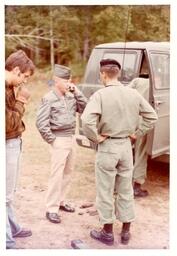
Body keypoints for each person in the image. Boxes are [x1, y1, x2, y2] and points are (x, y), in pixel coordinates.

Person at [81, 59, 158, 245]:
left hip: (108, 146)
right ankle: (125, 232)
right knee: (126, 189)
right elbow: (152, 116)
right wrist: (136, 134)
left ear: (103, 75)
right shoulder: (133, 93)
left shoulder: (100, 95)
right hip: (125, 147)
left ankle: (107, 233)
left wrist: (96, 137)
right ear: (118, 74)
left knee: (105, 189)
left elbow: (86, 121)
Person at [36, 64, 87, 224]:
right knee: (56, 174)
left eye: (69, 80)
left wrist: (77, 91)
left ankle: (61, 201)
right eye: (66, 80)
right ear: (57, 81)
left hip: (71, 138)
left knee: (68, 172)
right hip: (59, 139)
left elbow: (85, 107)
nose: (69, 83)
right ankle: (51, 208)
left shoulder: (72, 96)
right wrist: (52, 140)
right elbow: (41, 123)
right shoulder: (48, 98)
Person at [5, 49, 35, 249]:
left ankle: (12, 227)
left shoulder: (8, 87)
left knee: (9, 191)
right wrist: (21, 102)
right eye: (24, 76)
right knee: (4, 194)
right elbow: (7, 124)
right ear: (16, 70)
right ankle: (5, 240)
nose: (24, 81)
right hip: (7, 143)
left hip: (12, 142)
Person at [128, 77, 150, 197]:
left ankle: (119, 185)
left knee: (124, 152)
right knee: (140, 153)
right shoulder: (158, 83)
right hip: (143, 122)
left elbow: (125, 93)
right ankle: (137, 186)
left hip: (130, 120)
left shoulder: (137, 81)